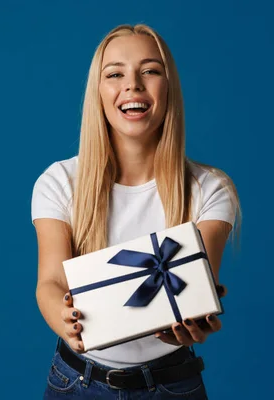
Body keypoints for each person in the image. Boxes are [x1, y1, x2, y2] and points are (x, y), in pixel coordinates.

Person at [31, 23, 242, 399]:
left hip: (173, 384)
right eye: (115, 74)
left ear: (169, 87)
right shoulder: (60, 181)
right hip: (76, 383)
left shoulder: (210, 189)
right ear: (98, 91)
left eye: (150, 71)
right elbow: (50, 281)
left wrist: (198, 317)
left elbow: (196, 291)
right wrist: (64, 321)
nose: (133, 85)